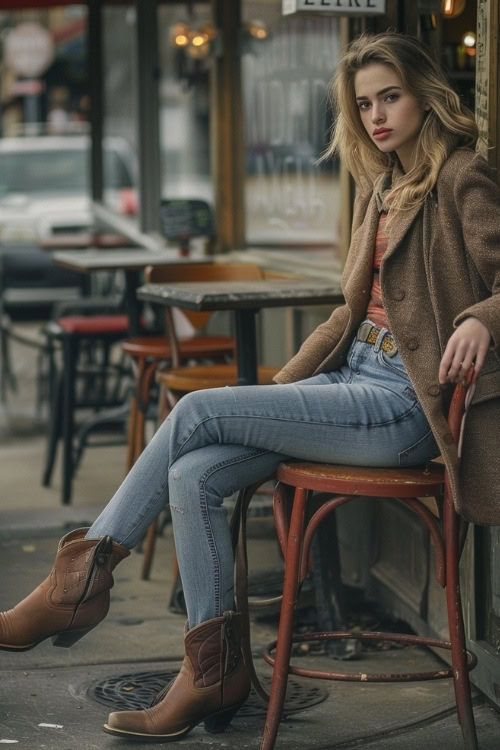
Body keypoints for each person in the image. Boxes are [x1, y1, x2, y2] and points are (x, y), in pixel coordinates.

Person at [2, 30, 500, 741]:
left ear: (424, 93)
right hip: (352, 383)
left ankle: (77, 584)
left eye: (391, 96)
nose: (377, 115)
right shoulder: (382, 185)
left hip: (403, 407)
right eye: (364, 104)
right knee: (199, 471)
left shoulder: (461, 176)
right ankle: (213, 673)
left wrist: (482, 318)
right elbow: (347, 316)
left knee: (199, 410)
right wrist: (278, 398)